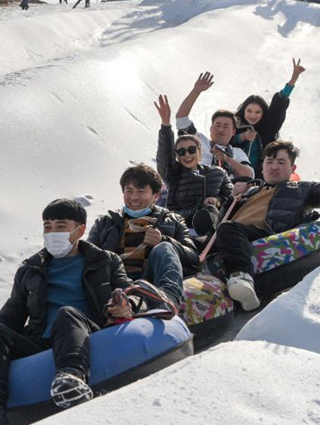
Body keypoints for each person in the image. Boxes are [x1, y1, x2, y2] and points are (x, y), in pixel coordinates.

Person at [0, 199, 135, 425]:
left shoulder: (105, 261)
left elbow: (128, 291)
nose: (52, 233)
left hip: (85, 331)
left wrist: (126, 303)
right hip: (41, 340)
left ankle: (71, 379)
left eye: (60, 226)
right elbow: (12, 314)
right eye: (47, 227)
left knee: (66, 314)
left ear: (79, 230)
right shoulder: (30, 270)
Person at [215, 118, 320, 311]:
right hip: (230, 237)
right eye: (270, 161)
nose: (274, 166)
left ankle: (241, 277)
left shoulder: (299, 189)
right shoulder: (250, 191)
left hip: (261, 235)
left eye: (281, 162)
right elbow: (220, 224)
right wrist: (232, 198)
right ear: (262, 167)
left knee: (229, 229)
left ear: (292, 169)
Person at [87, 164, 199, 302]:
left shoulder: (173, 220)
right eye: (129, 191)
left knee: (164, 248)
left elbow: (193, 257)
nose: (134, 197)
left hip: (151, 280)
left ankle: (168, 302)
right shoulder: (105, 222)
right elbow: (87, 257)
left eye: (141, 191)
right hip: (116, 282)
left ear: (156, 195)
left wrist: (164, 240)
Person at [155, 95, 233, 236]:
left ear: (200, 152)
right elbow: (164, 156)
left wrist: (217, 201)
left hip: (209, 225)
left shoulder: (218, 173)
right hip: (179, 224)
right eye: (181, 152)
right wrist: (165, 125)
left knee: (210, 210)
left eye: (191, 150)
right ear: (177, 156)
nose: (187, 155)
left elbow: (230, 197)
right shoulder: (173, 172)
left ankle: (207, 230)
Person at [175, 72, 254, 181]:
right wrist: (196, 91)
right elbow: (181, 119)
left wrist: (227, 159)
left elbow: (249, 176)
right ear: (210, 128)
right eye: (217, 125)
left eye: (226, 126)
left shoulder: (237, 153)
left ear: (233, 132)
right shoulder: (198, 140)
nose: (221, 129)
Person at [234, 59, 306, 178]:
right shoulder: (235, 126)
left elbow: (279, 105)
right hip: (236, 175)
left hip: (262, 176)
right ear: (243, 111)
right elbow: (226, 142)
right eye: (249, 111)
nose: (252, 115)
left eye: (257, 112)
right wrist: (242, 137)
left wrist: (293, 80)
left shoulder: (268, 128)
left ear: (263, 113)